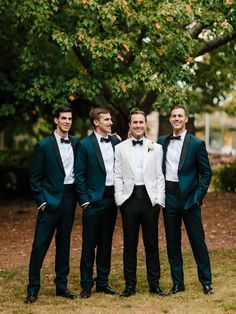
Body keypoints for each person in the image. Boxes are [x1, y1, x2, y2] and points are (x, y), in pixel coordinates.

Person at [157, 104, 214, 295]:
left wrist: (198, 197)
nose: (177, 118)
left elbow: (206, 173)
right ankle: (177, 283)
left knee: (198, 241)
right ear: (170, 119)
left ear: (186, 119)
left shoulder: (196, 144)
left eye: (180, 115)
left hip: (190, 199)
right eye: (174, 115)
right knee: (173, 242)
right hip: (169, 197)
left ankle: (206, 281)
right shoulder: (161, 141)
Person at [25, 106, 78, 304]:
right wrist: (41, 202)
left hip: (69, 199)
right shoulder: (43, 145)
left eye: (69, 118)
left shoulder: (76, 143)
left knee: (64, 245)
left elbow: (96, 145)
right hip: (49, 201)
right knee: (40, 245)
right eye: (63, 118)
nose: (67, 121)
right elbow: (35, 178)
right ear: (56, 120)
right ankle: (33, 289)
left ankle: (61, 286)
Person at [114, 109, 166, 297]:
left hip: (150, 201)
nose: (138, 125)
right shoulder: (120, 148)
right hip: (129, 201)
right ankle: (130, 286)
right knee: (130, 245)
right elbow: (117, 175)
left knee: (151, 245)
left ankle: (154, 284)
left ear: (145, 125)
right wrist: (120, 200)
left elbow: (160, 176)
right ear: (130, 125)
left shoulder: (156, 147)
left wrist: (159, 201)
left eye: (141, 122)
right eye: (134, 122)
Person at [74, 107, 120, 298]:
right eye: (106, 120)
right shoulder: (84, 145)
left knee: (106, 243)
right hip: (92, 202)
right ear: (96, 122)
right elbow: (79, 175)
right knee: (89, 245)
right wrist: (84, 201)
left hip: (112, 199)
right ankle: (86, 284)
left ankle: (103, 282)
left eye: (110, 119)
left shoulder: (117, 142)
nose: (110, 122)